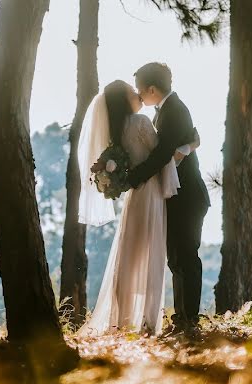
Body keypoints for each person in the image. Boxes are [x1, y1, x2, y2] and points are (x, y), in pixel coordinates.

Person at [77, 79, 195, 336]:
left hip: (135, 196)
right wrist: (189, 146)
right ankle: (147, 322)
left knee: (130, 255)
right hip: (151, 192)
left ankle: (121, 319)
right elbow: (162, 156)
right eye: (133, 92)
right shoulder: (141, 123)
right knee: (151, 253)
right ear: (123, 100)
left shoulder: (116, 131)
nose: (138, 94)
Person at [128, 63, 211, 337]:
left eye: (141, 90)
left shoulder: (175, 110)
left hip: (188, 197)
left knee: (186, 256)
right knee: (176, 259)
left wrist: (134, 177)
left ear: (152, 89)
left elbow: (163, 154)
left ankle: (189, 321)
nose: (140, 96)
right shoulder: (163, 112)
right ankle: (182, 319)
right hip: (176, 197)